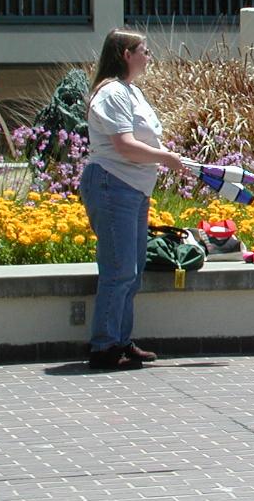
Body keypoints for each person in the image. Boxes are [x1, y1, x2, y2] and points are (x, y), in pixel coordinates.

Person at [80, 29, 187, 371]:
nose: (149, 56)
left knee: (133, 271)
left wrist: (160, 157)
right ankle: (104, 348)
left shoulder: (131, 92)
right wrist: (164, 157)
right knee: (119, 269)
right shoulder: (112, 93)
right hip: (113, 185)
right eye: (144, 50)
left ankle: (121, 340)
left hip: (133, 189)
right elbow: (124, 145)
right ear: (126, 54)